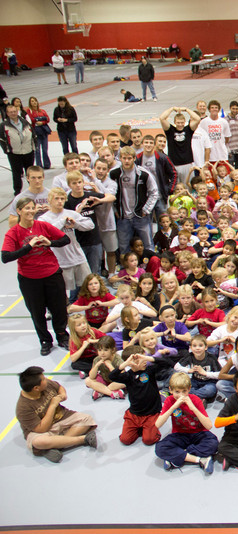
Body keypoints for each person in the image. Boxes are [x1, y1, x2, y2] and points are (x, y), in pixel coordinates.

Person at [2, 197, 70, 355]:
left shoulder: (43, 226)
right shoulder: (13, 233)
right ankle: (45, 340)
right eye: (26, 208)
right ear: (19, 211)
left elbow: (65, 239)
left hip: (52, 273)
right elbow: (5, 257)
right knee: (37, 312)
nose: (30, 211)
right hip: (30, 279)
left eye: (32, 208)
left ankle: (62, 336)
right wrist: (28, 247)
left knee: (59, 308)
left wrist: (49, 243)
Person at [15, 366, 97, 463]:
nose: (46, 379)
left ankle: (54, 447)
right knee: (39, 442)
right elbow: (41, 429)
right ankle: (83, 439)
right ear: (36, 388)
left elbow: (59, 387)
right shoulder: (23, 408)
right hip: (43, 431)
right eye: (43, 379)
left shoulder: (46, 384)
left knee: (87, 419)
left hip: (63, 417)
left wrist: (62, 395)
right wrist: (52, 406)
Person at [154, 372, 218, 473]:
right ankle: (200, 459)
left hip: (198, 433)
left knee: (213, 443)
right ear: (170, 390)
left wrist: (193, 408)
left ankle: (177, 455)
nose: (181, 395)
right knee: (160, 448)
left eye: (184, 391)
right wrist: (173, 407)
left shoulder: (195, 400)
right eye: (177, 392)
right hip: (180, 434)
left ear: (189, 389)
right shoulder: (169, 401)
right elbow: (157, 425)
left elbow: (209, 426)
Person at [110, 146, 159, 253]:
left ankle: (149, 267)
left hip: (141, 216)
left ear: (134, 158)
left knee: (148, 245)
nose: (126, 161)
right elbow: (109, 194)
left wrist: (146, 210)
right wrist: (115, 210)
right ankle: (125, 268)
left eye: (129, 158)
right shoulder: (114, 174)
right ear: (120, 158)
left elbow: (154, 192)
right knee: (123, 247)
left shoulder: (143, 174)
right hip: (123, 217)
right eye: (124, 158)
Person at [0, 103, 35, 195]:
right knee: (16, 173)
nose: (13, 113)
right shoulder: (3, 125)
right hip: (14, 153)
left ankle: (33, 187)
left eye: (15, 111)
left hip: (28, 151)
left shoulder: (25, 122)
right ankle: (17, 190)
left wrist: (34, 147)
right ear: (7, 113)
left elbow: (33, 135)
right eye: (11, 112)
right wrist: (7, 150)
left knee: (30, 171)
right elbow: (1, 139)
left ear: (17, 111)